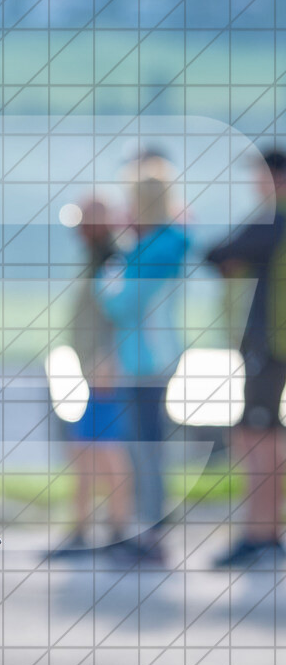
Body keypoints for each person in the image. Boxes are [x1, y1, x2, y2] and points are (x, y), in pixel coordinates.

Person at [96, 156, 190, 566]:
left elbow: (121, 304)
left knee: (146, 448)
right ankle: (146, 528)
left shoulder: (159, 246)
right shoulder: (156, 243)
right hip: (147, 357)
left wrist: (109, 274)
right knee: (142, 447)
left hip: (149, 359)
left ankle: (152, 533)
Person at [205, 148, 286, 568]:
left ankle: (259, 535)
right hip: (274, 348)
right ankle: (268, 533)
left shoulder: (275, 218)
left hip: (267, 346)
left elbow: (216, 253)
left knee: (256, 438)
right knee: (269, 435)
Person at [46, 196, 133, 560]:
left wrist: (108, 358)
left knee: (105, 451)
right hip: (90, 370)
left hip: (104, 371)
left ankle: (116, 529)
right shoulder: (99, 259)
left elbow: (120, 315)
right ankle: (84, 529)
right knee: (85, 450)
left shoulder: (113, 261)